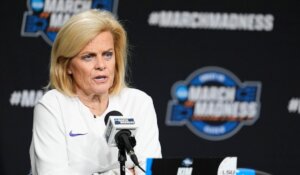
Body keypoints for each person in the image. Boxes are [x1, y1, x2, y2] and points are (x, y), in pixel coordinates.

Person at [29, 9, 162, 175]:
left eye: (107, 54)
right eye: (88, 57)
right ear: (67, 65)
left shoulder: (139, 102)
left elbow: (149, 171)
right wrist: (125, 172)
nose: (101, 65)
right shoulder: (52, 106)